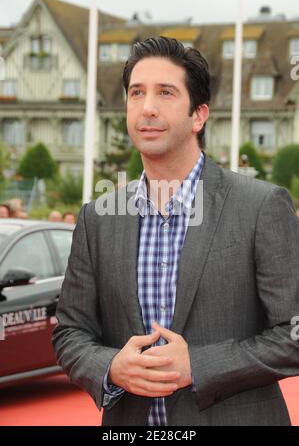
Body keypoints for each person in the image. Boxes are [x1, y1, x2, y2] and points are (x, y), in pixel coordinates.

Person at [53, 37, 299, 426]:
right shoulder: (97, 219)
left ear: (198, 115)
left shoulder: (260, 206)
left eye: (165, 93)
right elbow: (71, 333)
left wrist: (199, 366)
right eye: (137, 93)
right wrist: (112, 366)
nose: (147, 107)